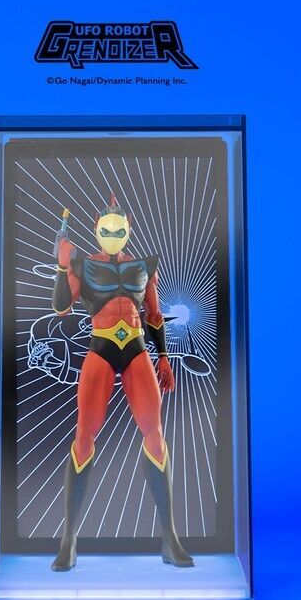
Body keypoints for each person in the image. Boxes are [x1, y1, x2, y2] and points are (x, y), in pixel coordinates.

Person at [50, 194, 194, 571]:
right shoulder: (83, 264)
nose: (112, 235)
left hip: (136, 348)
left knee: (155, 435)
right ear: (97, 228)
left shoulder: (143, 266)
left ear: (127, 228)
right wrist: (62, 266)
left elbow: (154, 314)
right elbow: (61, 307)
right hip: (101, 347)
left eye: (119, 230)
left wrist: (163, 356)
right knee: (84, 435)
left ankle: (170, 539)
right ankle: (68, 542)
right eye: (107, 229)